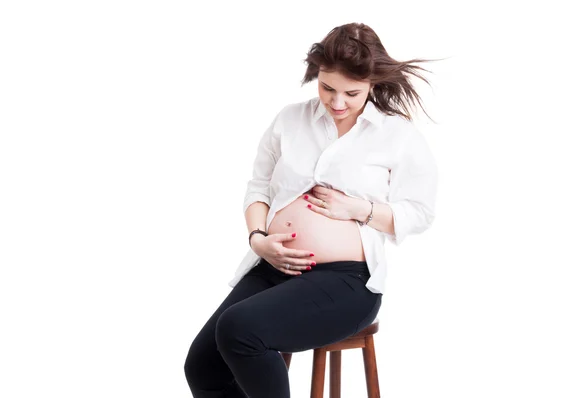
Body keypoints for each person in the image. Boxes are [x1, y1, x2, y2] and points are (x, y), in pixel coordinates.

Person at [184, 22, 440, 398]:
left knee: (240, 329)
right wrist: (258, 240)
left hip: (347, 282)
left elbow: (420, 211)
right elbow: (258, 188)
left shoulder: (396, 135)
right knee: (202, 365)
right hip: (274, 268)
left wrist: (361, 208)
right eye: (327, 88)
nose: (337, 103)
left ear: (372, 83)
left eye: (351, 93)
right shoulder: (290, 119)